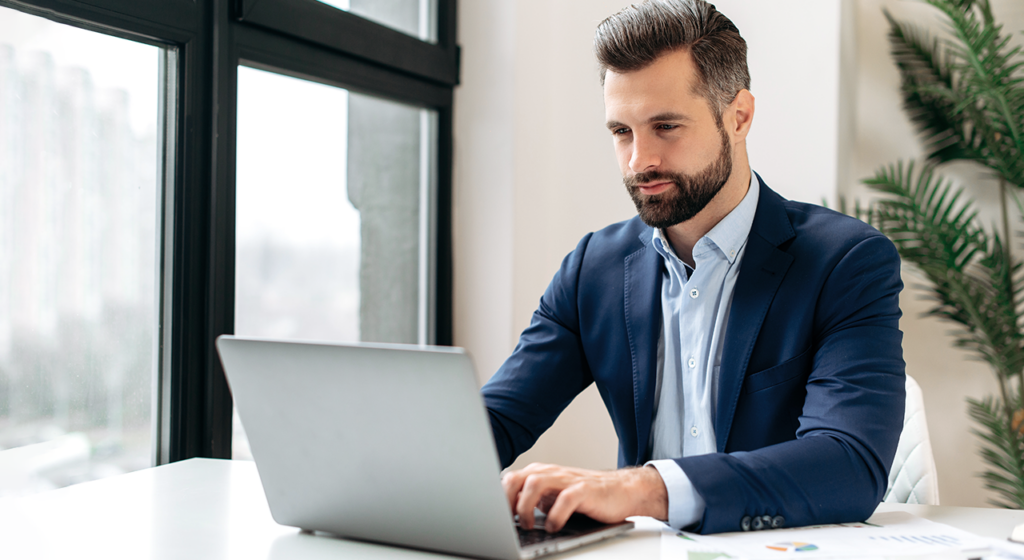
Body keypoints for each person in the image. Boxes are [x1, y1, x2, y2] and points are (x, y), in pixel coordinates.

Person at [480, 0, 906, 536]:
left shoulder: (845, 261)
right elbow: (492, 425)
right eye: (622, 132)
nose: (639, 161)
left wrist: (642, 488)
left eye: (665, 126)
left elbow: (849, 465)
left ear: (739, 115)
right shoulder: (595, 268)